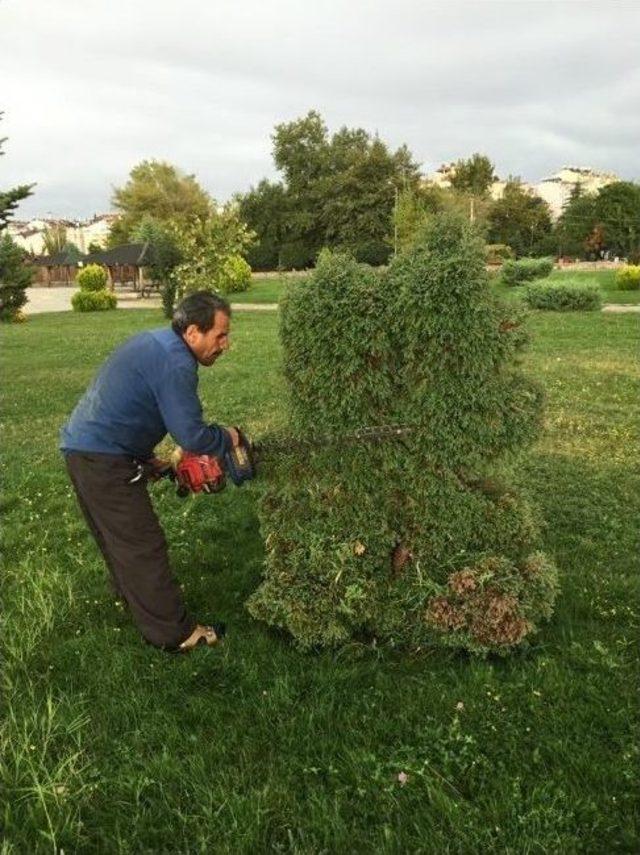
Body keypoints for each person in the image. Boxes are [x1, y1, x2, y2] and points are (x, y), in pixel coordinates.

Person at [60, 290, 242, 652]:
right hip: (102, 456)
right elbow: (192, 434)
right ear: (193, 332)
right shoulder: (176, 363)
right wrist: (230, 436)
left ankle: (137, 601)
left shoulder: (157, 343)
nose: (225, 344)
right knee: (143, 544)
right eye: (220, 335)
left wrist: (145, 460)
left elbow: (129, 404)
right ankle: (176, 635)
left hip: (84, 447)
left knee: (118, 538)